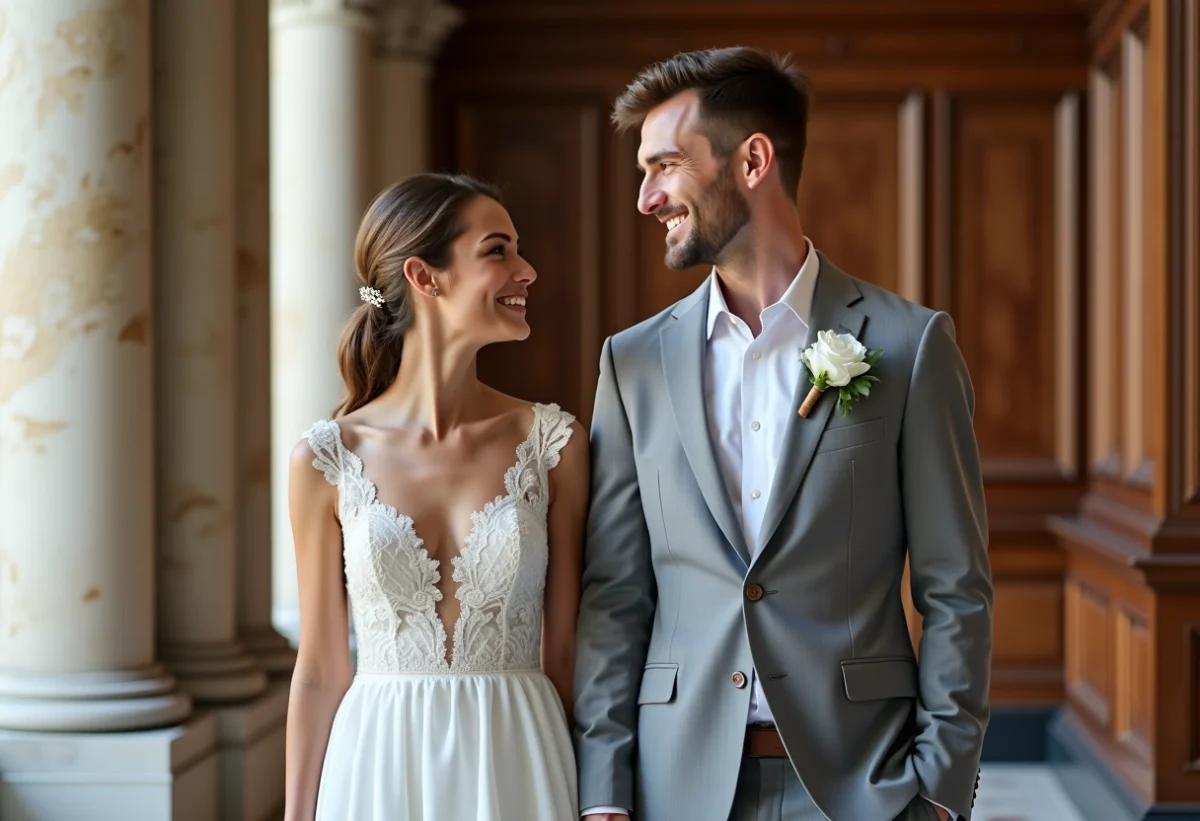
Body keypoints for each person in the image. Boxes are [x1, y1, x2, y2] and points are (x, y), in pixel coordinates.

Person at [574, 47, 993, 821]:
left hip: (861, 784)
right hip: (678, 785)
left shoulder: (909, 344)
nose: (645, 197)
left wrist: (940, 789)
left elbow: (955, 587)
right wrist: (604, 792)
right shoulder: (632, 364)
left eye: (664, 165)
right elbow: (615, 596)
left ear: (753, 160)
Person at [283, 172, 588, 821]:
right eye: (498, 250)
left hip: (521, 759)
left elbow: (563, 651)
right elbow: (318, 669)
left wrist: (598, 796)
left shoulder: (552, 443)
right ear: (426, 277)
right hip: (377, 765)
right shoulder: (326, 458)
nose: (526, 269)